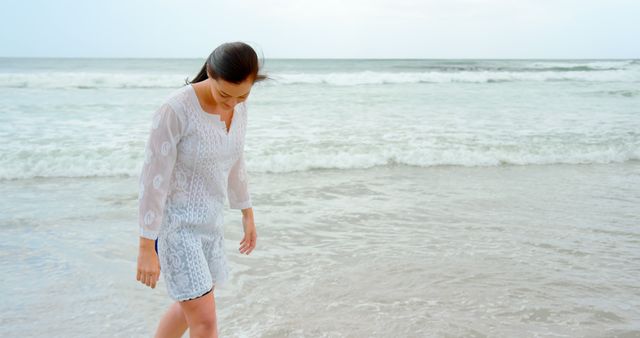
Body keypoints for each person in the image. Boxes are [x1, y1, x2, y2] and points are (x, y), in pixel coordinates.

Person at [135, 41, 267, 338]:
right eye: (224, 94)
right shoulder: (176, 109)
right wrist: (146, 245)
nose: (232, 103)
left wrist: (247, 212)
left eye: (242, 95)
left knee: (189, 307)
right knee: (205, 320)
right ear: (209, 72)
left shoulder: (238, 106)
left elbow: (235, 159)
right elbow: (152, 179)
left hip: (211, 224)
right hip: (177, 228)